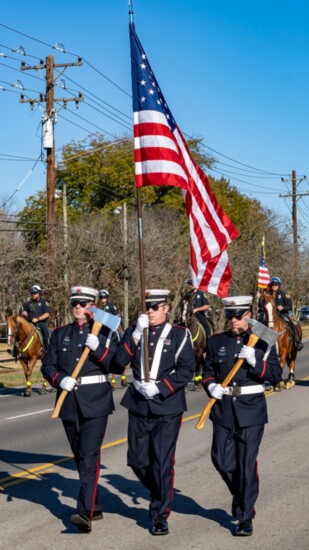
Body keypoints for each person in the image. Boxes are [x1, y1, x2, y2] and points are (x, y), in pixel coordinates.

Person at [112, 289, 195, 536]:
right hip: (138, 403)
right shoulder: (135, 331)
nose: (150, 311)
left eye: (155, 307)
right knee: (136, 460)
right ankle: (160, 490)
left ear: (166, 308)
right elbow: (117, 364)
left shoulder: (180, 335)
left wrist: (159, 387)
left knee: (161, 460)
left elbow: (187, 370)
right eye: (147, 306)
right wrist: (136, 334)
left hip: (167, 406)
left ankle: (159, 514)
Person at [41, 286, 122, 533]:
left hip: (96, 401)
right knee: (81, 456)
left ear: (93, 306)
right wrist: (58, 379)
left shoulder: (107, 332)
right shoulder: (60, 333)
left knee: (88, 457)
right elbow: (48, 365)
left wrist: (98, 347)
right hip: (68, 401)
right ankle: (94, 504)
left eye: (83, 303)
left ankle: (83, 512)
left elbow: (116, 365)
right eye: (74, 303)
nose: (78, 307)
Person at [202, 295, 282, 537]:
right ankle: (242, 494)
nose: (233, 321)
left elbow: (276, 375)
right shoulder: (217, 341)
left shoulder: (264, 340)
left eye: (237, 316)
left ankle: (245, 515)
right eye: (229, 317)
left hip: (251, 410)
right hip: (223, 409)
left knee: (247, 464)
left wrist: (255, 361)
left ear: (248, 314)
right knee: (221, 459)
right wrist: (210, 386)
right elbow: (207, 371)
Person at [259, 277, 303, 351]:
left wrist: (283, 307)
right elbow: (262, 304)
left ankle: (297, 341)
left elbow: (289, 306)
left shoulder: (283, 294)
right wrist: (259, 298)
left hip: (282, 315)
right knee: (260, 325)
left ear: (279, 285)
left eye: (276, 285)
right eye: (273, 284)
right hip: (270, 316)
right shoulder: (267, 294)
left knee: (291, 324)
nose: (274, 286)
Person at [22, 284, 50, 350]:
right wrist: (24, 313)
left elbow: (47, 314)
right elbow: (25, 311)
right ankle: (15, 350)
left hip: (41, 323)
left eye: (35, 293)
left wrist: (38, 319)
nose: (33, 294)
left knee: (46, 335)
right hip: (30, 323)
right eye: (32, 293)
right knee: (18, 332)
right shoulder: (28, 303)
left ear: (39, 293)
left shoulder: (44, 302)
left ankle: (48, 350)